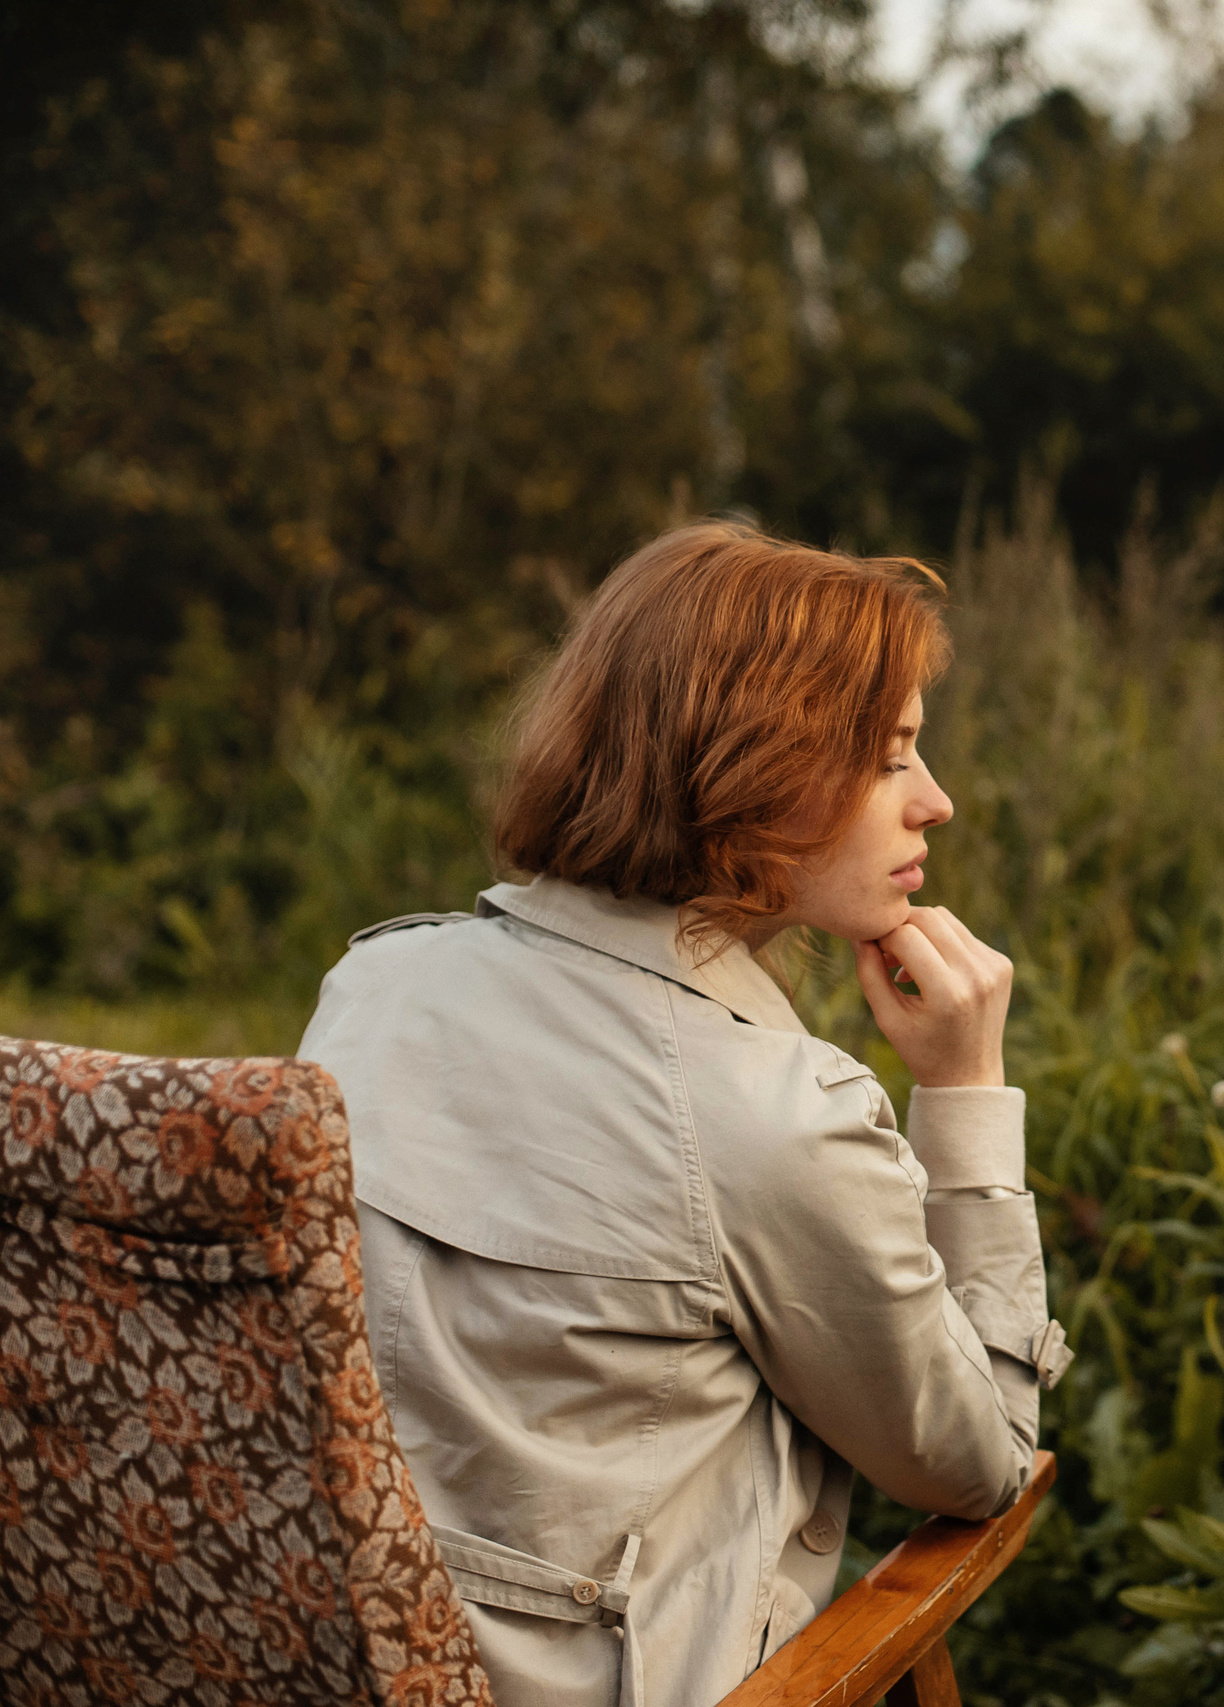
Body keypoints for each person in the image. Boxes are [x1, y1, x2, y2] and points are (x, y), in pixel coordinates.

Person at [298, 521, 1070, 1706]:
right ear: (756, 771)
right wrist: (965, 1093)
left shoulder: (377, 987)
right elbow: (978, 1463)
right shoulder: (773, 1119)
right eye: (891, 759)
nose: (938, 802)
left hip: (332, 1660)